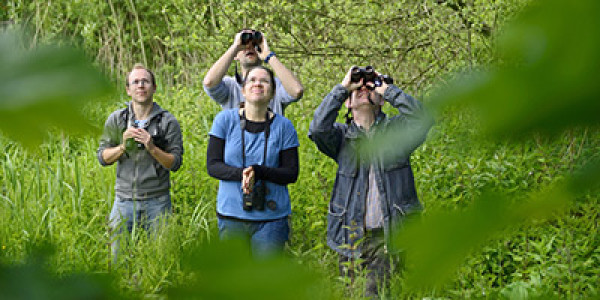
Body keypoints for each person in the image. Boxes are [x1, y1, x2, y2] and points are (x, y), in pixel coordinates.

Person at [309, 66, 433, 297]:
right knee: (351, 293)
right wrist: (343, 87)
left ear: (381, 100)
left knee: (374, 293)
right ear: (347, 102)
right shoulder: (341, 137)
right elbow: (317, 129)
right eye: (358, 88)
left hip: (388, 235)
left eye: (370, 87)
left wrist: (388, 89)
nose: (363, 90)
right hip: (350, 235)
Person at [206, 65, 299, 257]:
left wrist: (259, 171)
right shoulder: (224, 120)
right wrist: (243, 174)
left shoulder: (284, 127)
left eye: (264, 81)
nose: (258, 84)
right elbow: (213, 165)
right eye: (252, 80)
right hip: (231, 214)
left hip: (272, 218)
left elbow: (291, 173)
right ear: (242, 90)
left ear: (273, 92)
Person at [97, 64, 184, 262]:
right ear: (128, 89)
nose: (140, 86)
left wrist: (151, 147)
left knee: (161, 261)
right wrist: (122, 147)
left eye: (145, 81)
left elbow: (175, 163)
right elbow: (102, 157)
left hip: (158, 202)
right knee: (117, 261)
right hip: (124, 202)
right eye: (135, 82)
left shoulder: (167, 121)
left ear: (154, 87)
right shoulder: (117, 119)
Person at [203, 29, 303, 116]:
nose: (249, 48)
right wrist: (235, 46)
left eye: (255, 45)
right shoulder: (231, 86)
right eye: (244, 45)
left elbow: (296, 91)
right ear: (235, 55)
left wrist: (268, 55)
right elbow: (209, 82)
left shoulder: (274, 85)